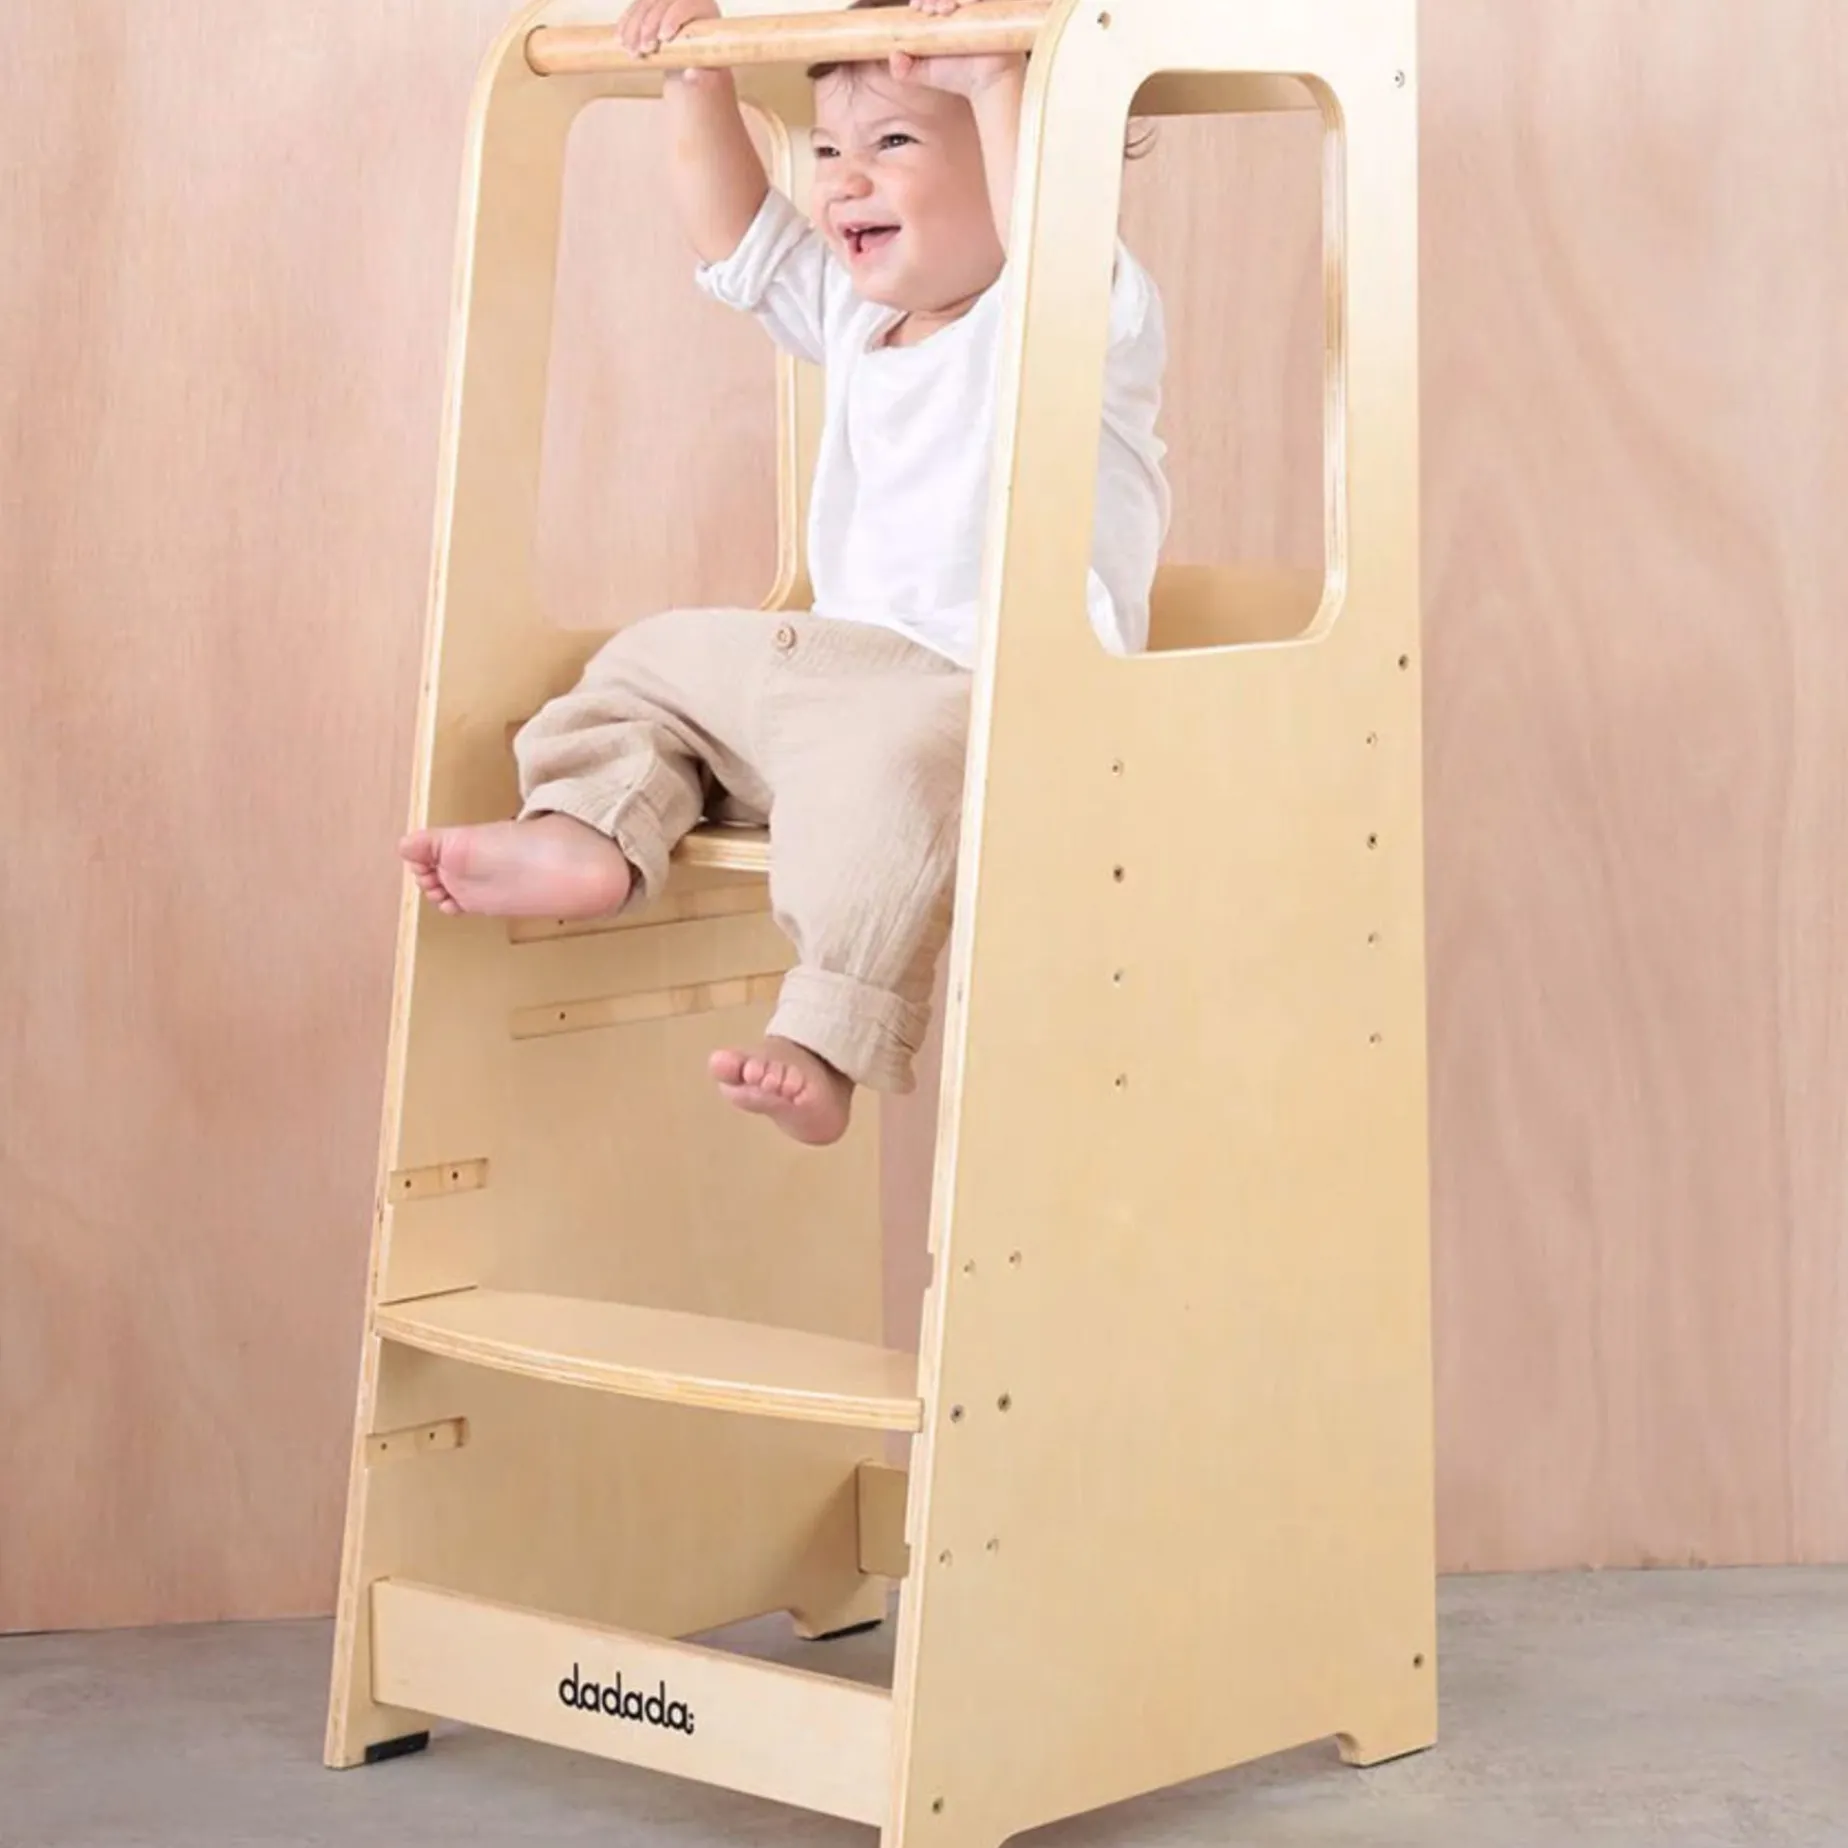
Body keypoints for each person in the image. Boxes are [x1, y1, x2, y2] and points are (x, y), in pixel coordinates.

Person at [400, 0, 1170, 1145]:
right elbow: (737, 239)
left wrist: (1000, 83)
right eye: (828, 148)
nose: (844, 181)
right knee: (648, 661)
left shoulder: (1072, 314)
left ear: (1031, 151)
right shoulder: (859, 319)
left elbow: (1050, 234)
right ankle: (594, 823)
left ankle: (825, 1034)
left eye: (893, 142)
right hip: (830, 666)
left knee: (889, 793)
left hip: (989, 691)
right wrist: (695, 77)